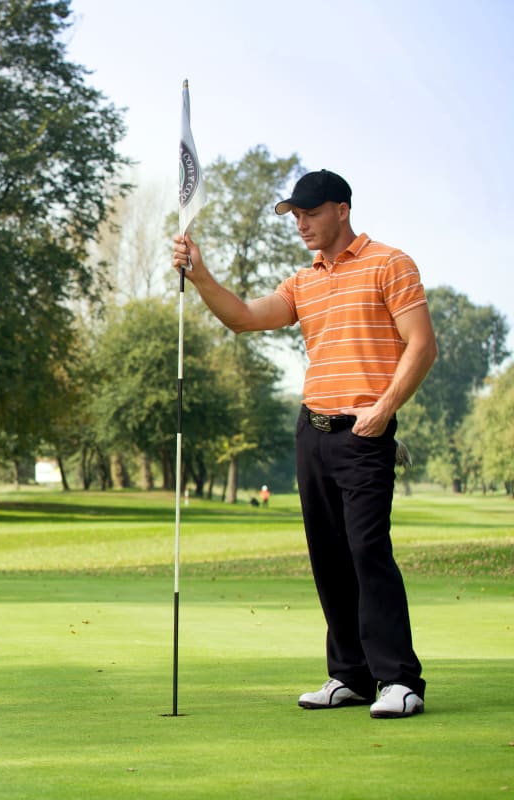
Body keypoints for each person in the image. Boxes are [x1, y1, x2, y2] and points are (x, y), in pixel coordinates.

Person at [172, 169, 437, 719]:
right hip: (311, 432)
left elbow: (422, 346)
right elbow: (244, 319)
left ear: (341, 209)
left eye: (310, 213)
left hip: (363, 432)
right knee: (328, 557)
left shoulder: (390, 263)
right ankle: (350, 675)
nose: (301, 224)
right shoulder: (303, 280)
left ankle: (398, 679)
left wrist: (384, 409)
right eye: (295, 215)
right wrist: (201, 278)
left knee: (367, 551)